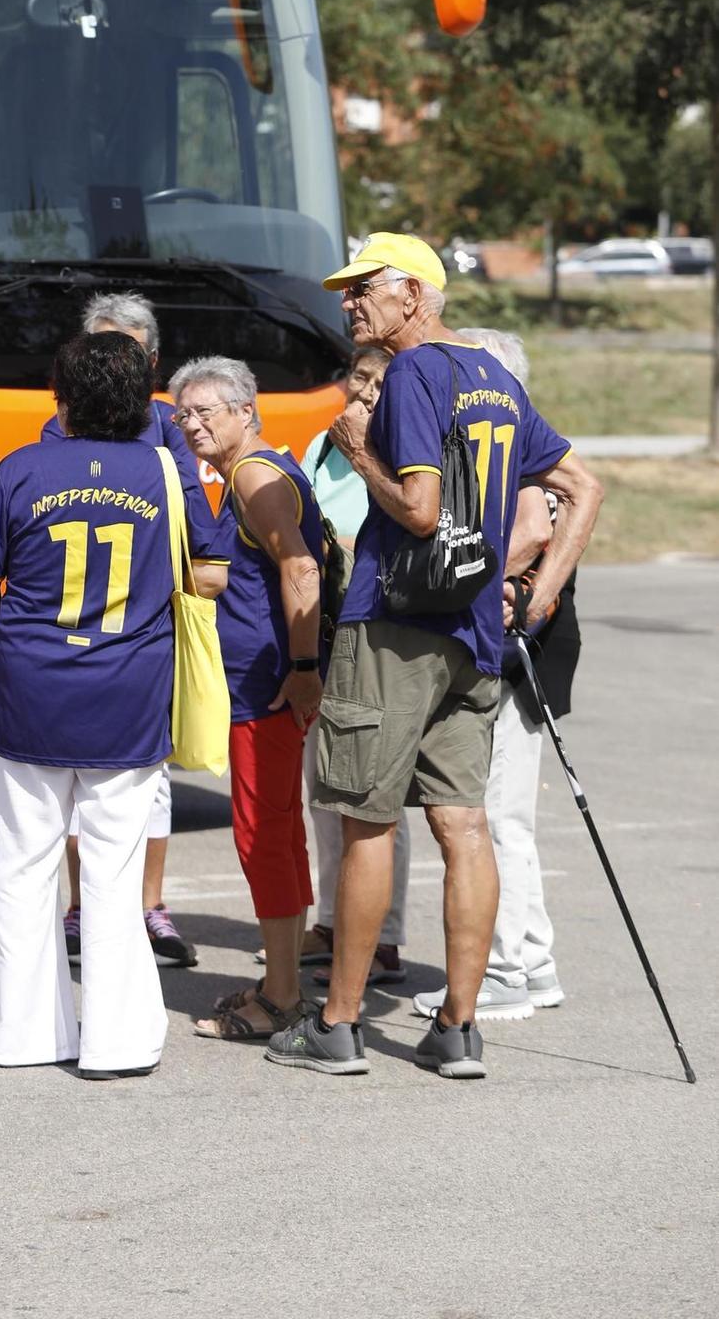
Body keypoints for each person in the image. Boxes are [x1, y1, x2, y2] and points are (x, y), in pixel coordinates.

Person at [265, 234, 602, 1080]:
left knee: (367, 817)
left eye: (363, 290)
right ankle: (457, 1027)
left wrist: (356, 450)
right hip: (475, 635)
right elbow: (582, 488)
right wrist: (542, 591)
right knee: (464, 823)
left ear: (414, 293)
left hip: (395, 624)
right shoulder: (491, 374)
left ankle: (337, 1024)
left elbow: (415, 509)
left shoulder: (415, 373)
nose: (349, 305)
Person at [0, 332, 178, 1077]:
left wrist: (9, 661)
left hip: (33, 687)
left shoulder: (20, 468)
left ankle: (21, 1036)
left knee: (22, 865)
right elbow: (206, 574)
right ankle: (115, 1043)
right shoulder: (165, 470)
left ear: (62, 392)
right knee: (115, 873)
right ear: (141, 394)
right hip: (129, 691)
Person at [45, 292, 228, 971]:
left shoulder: (165, 432)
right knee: (72, 780)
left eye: (120, 353)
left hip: (146, 634)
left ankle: (148, 907)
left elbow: (199, 535)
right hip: (76, 636)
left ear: (149, 361)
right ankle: (80, 906)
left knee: (148, 784)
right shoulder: (53, 433)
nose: (105, 368)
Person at [413, 328, 579, 1024]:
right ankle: (529, 959)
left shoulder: (521, 457)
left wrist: (478, 574)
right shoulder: (503, 447)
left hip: (516, 657)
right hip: (510, 648)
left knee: (498, 814)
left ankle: (510, 965)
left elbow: (534, 531)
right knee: (502, 813)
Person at [170, 356, 326, 1045]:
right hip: (264, 678)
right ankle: (281, 981)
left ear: (244, 411)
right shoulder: (256, 470)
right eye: (183, 412)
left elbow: (299, 566)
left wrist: (301, 666)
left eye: (207, 410)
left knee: (262, 836)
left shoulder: (255, 476)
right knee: (279, 832)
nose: (193, 422)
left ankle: (284, 996)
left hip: (264, 683)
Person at [296, 344, 411, 985]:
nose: (363, 389)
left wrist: (332, 546)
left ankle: (383, 938)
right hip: (325, 632)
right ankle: (333, 921)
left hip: (376, 634)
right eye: (357, 376)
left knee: (373, 796)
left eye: (377, 380)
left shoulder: (396, 447)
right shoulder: (325, 443)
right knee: (326, 790)